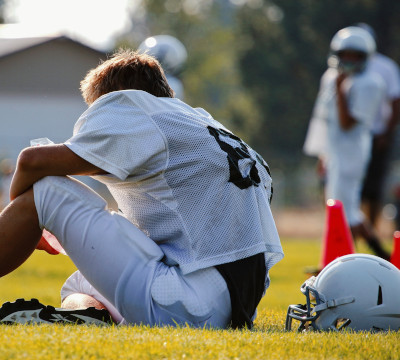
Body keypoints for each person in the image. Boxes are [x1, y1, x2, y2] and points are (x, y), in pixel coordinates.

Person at [0, 49, 283, 329]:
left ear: (118, 96)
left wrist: (26, 216)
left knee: (47, 190)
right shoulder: (200, 124)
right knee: (79, 284)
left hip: (187, 302)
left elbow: (32, 162)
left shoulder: (134, 108)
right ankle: (87, 318)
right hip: (230, 308)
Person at [303, 26, 389, 259]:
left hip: (352, 152)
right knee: (344, 209)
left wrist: (341, 90)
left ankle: (345, 258)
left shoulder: (370, 83)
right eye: (346, 54)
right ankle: (380, 255)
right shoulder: (331, 76)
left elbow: (347, 123)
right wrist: (324, 153)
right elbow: (326, 122)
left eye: (355, 55)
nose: (349, 60)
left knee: (342, 210)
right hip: (336, 152)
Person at [356, 24, 400, 227]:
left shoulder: (386, 67)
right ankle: (353, 230)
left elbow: (395, 102)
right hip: (352, 136)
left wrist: (386, 134)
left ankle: (370, 229)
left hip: (376, 135)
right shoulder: (347, 66)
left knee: (373, 187)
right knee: (352, 187)